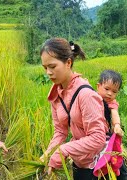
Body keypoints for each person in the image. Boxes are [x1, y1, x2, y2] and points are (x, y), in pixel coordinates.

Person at [39, 38, 109, 179]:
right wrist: (48, 153)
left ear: (68, 63)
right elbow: (60, 131)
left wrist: (64, 150)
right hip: (81, 162)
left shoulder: (86, 94)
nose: (48, 72)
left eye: (52, 66)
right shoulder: (56, 95)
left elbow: (98, 138)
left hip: (101, 165)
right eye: (45, 67)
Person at [97, 70, 124, 136]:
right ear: (98, 86)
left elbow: (115, 113)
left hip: (103, 130)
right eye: (106, 89)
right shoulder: (93, 97)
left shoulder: (111, 103)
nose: (110, 93)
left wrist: (117, 125)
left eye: (114, 92)